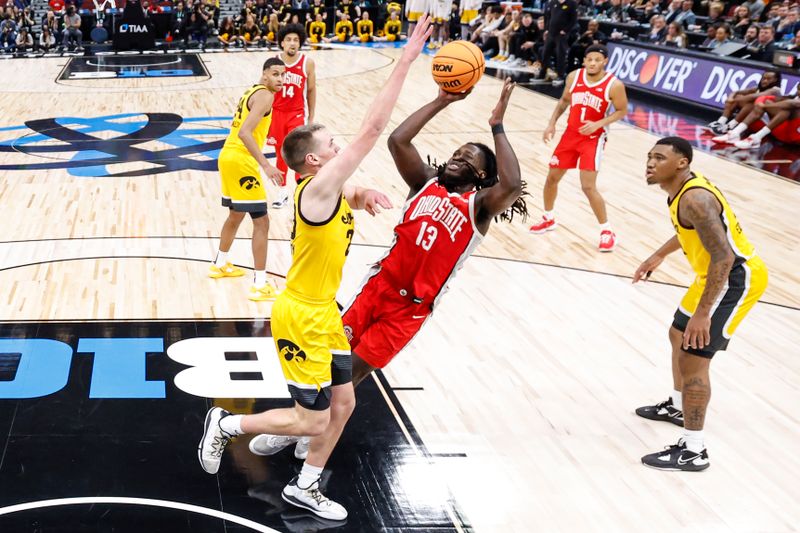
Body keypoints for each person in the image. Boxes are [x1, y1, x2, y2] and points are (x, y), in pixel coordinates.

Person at [197, 16, 434, 520]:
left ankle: (304, 487)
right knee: (311, 420)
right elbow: (373, 130)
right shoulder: (317, 189)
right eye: (329, 146)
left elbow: (350, 189)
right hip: (301, 316)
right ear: (310, 163)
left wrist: (367, 193)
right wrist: (406, 61)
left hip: (325, 312)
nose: (337, 148)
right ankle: (226, 425)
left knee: (344, 405)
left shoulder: (329, 187)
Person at [249, 77, 526, 478]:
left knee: (355, 370)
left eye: (468, 159)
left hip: (408, 310)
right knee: (329, 364)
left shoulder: (479, 206)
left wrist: (497, 126)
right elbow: (398, 140)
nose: (457, 159)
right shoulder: (425, 183)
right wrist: (441, 100)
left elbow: (513, 184)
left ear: (483, 176)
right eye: (456, 152)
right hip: (377, 286)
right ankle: (300, 423)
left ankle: (308, 431)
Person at [634, 137, 768, 471]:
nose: (650, 163)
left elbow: (723, 256)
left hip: (734, 278)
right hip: (711, 274)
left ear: (681, 163)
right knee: (677, 334)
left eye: (659, 158)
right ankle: (679, 407)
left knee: (693, 357)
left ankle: (694, 450)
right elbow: (688, 232)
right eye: (649, 157)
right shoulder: (679, 192)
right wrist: (658, 255)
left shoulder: (694, 198)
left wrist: (704, 314)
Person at [529, 45, 628, 252]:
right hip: (570, 135)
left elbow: (621, 111)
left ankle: (607, 231)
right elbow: (564, 101)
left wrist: (598, 124)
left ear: (605, 61)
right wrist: (551, 123)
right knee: (551, 178)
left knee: (588, 186)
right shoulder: (574, 77)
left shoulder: (614, 85)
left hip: (594, 138)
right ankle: (548, 217)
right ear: (584, 61)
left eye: (597, 59)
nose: (593, 63)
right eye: (589, 59)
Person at [209, 58, 286, 301]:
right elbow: (245, 132)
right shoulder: (265, 96)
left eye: (283, 75)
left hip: (227, 156)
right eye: (275, 74)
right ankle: (260, 285)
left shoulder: (251, 92)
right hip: (242, 161)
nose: (280, 80)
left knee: (235, 215)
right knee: (261, 223)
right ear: (264, 74)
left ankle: (219, 264)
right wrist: (266, 165)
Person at [267, 24, 317, 208]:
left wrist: (311, 118)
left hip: (297, 114)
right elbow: (266, 90)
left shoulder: (307, 62)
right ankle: (282, 192)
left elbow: (311, 90)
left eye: (296, 39)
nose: (292, 43)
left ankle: (302, 191)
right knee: (280, 153)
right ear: (281, 42)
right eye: (288, 39)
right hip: (277, 113)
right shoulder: (273, 62)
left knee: (299, 153)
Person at [707, 70, 782, 135]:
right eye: (763, 78)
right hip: (750, 120)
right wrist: (731, 98)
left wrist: (736, 100)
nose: (765, 81)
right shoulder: (757, 88)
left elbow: (755, 96)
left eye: (768, 79)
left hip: (764, 122)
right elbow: (735, 92)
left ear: (775, 80)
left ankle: (731, 126)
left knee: (752, 102)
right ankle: (721, 122)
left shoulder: (775, 90)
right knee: (737, 96)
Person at [728, 89, 800, 149]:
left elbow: (795, 104)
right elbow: (765, 98)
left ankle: (754, 136)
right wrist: (761, 102)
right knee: (781, 108)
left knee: (789, 109)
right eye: (799, 89)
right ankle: (736, 132)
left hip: (796, 137)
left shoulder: (795, 103)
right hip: (782, 132)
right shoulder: (790, 97)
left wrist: (764, 106)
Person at [538, 0, 578, 83]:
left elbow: (573, 20)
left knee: (561, 54)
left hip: (561, 34)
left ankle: (560, 76)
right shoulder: (553, 2)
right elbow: (547, 17)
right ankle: (542, 74)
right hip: (551, 33)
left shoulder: (571, 3)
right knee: (545, 53)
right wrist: (546, 29)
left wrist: (565, 30)